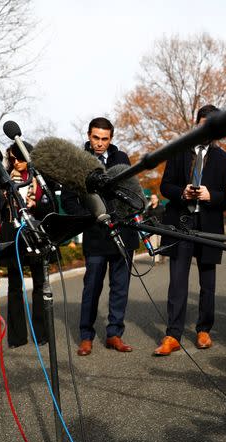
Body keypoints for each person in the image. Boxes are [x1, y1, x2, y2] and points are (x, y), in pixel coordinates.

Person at [154, 104, 226, 356]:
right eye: (203, 124)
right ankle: (172, 334)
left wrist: (212, 195)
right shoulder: (178, 152)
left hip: (208, 224)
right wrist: (183, 192)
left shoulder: (224, 159)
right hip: (181, 222)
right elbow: (165, 187)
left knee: (207, 281)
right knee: (177, 281)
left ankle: (203, 329)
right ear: (195, 123)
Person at [60, 117, 139, 356]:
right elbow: (67, 200)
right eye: (96, 137)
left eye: (105, 139)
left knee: (120, 287)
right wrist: (91, 216)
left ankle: (115, 334)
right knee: (92, 287)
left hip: (123, 233)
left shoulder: (121, 159)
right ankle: (86, 336)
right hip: (95, 235)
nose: (100, 143)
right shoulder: (77, 162)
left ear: (111, 138)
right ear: (88, 135)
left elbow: (132, 191)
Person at [3, 141, 50, 349]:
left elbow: (49, 205)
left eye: (19, 158)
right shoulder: (5, 179)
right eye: (12, 159)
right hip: (14, 236)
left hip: (36, 234)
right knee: (15, 286)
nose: (16, 162)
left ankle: (41, 333)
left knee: (39, 285)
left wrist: (35, 204)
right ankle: (16, 336)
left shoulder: (39, 178)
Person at [144, 193, 165, 263]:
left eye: (154, 198)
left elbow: (165, 218)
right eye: (151, 198)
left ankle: (163, 256)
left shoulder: (162, 208)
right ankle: (156, 260)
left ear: (157, 199)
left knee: (160, 243)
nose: (152, 200)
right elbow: (146, 218)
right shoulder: (149, 209)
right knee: (153, 244)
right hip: (152, 229)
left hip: (160, 228)